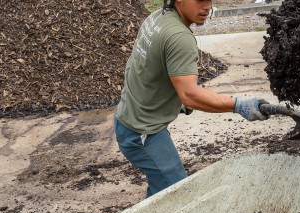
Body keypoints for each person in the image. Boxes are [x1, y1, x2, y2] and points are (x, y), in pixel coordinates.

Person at [114, 0, 270, 197]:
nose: (206, 6)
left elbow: (143, 69)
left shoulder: (157, 17)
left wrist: (170, 102)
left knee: (161, 189)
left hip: (129, 118)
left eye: (209, 0)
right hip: (141, 133)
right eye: (199, 0)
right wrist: (239, 106)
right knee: (176, 193)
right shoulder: (179, 37)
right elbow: (189, 95)